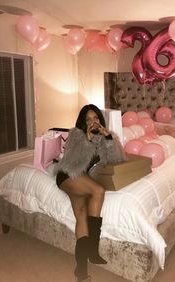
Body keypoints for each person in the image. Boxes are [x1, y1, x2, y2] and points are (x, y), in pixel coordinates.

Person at [55, 104, 125, 282]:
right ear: (83, 123)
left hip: (82, 180)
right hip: (68, 175)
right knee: (98, 190)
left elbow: (116, 159)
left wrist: (108, 138)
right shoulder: (76, 135)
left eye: (95, 118)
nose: (92, 122)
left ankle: (81, 271)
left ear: (100, 121)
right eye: (88, 119)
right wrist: (87, 138)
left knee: (81, 215)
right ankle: (93, 249)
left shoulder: (105, 137)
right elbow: (71, 163)